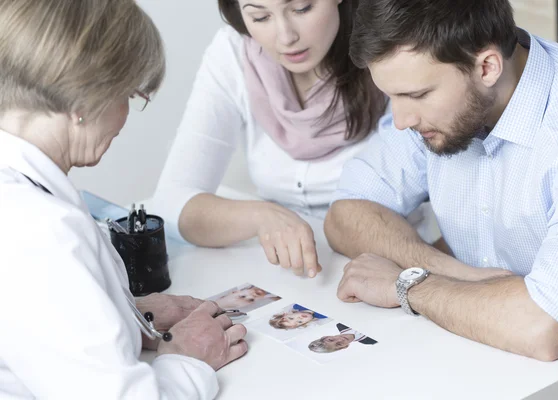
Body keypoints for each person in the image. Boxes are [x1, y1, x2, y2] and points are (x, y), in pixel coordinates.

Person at [325, 0, 558, 364]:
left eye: (417, 95)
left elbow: (546, 327)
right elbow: (346, 213)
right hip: (471, 347)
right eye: (391, 96)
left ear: (487, 66)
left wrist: (406, 285)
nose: (402, 119)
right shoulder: (431, 88)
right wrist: (456, 274)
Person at [0, 1, 247, 398]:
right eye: (129, 96)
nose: (124, 118)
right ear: (84, 101)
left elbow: (45, 324)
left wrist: (127, 312)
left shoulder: (26, 195)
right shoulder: (37, 231)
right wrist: (186, 357)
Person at [152, 0, 441, 279]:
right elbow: (169, 201)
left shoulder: (389, 45)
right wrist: (264, 217)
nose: (286, 36)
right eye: (260, 17)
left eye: (302, 8)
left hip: (390, 264)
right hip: (286, 272)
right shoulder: (234, 51)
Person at [308, 323, 377, 353]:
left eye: (331, 340)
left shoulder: (341, 325)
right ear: (345, 347)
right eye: (339, 344)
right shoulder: (369, 341)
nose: (340, 339)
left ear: (326, 337)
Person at [213, 284, 281, 310]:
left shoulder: (245, 284)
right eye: (251, 300)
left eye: (243, 296)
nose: (252, 296)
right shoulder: (272, 296)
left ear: (235, 292)